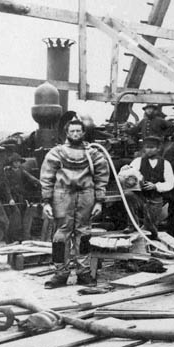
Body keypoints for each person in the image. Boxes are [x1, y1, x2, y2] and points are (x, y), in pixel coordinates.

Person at [40, 120, 109, 288]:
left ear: (84, 133)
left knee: (84, 233)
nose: (76, 134)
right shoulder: (56, 152)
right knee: (61, 234)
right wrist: (46, 202)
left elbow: (101, 178)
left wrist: (99, 201)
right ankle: (60, 274)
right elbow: (47, 177)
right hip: (62, 195)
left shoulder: (93, 154)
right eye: (72, 131)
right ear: (67, 133)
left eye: (79, 131)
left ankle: (83, 272)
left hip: (86, 195)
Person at [128, 136, 174, 239]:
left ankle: (152, 243)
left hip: (155, 199)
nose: (149, 150)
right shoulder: (138, 161)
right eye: (147, 147)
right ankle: (132, 225)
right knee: (128, 195)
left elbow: (170, 183)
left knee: (151, 228)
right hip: (140, 197)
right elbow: (128, 177)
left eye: (152, 147)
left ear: (158, 149)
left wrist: (156, 186)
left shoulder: (165, 164)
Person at [0, 153, 41, 241]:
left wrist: (39, 182)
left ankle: (21, 237)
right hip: (12, 198)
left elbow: (30, 177)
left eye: (18, 162)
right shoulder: (7, 173)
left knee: (23, 216)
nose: (17, 164)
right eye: (15, 162)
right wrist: (10, 199)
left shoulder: (21, 171)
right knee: (16, 217)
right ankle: (12, 237)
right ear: (12, 163)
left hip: (21, 197)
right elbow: (6, 187)